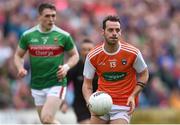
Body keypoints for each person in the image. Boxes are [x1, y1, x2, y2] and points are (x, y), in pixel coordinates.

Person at [14, 3, 79, 124]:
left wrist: (66, 66)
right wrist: (20, 68)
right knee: (46, 122)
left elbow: (75, 55)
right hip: (37, 85)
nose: (51, 19)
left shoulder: (63, 36)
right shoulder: (28, 35)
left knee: (46, 118)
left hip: (56, 83)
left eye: (53, 16)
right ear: (39, 17)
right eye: (47, 16)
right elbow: (18, 55)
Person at [82, 15, 149, 124]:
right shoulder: (93, 55)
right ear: (103, 32)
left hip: (123, 104)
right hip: (101, 101)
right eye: (110, 30)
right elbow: (87, 84)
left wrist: (133, 95)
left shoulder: (133, 53)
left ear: (120, 32)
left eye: (117, 30)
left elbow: (144, 74)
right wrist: (90, 102)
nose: (114, 33)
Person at [66, 38, 98, 124]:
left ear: (94, 51)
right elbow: (64, 85)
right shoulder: (75, 67)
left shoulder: (100, 67)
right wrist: (63, 102)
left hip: (98, 104)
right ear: (80, 51)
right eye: (84, 50)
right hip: (80, 105)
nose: (87, 52)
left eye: (89, 49)